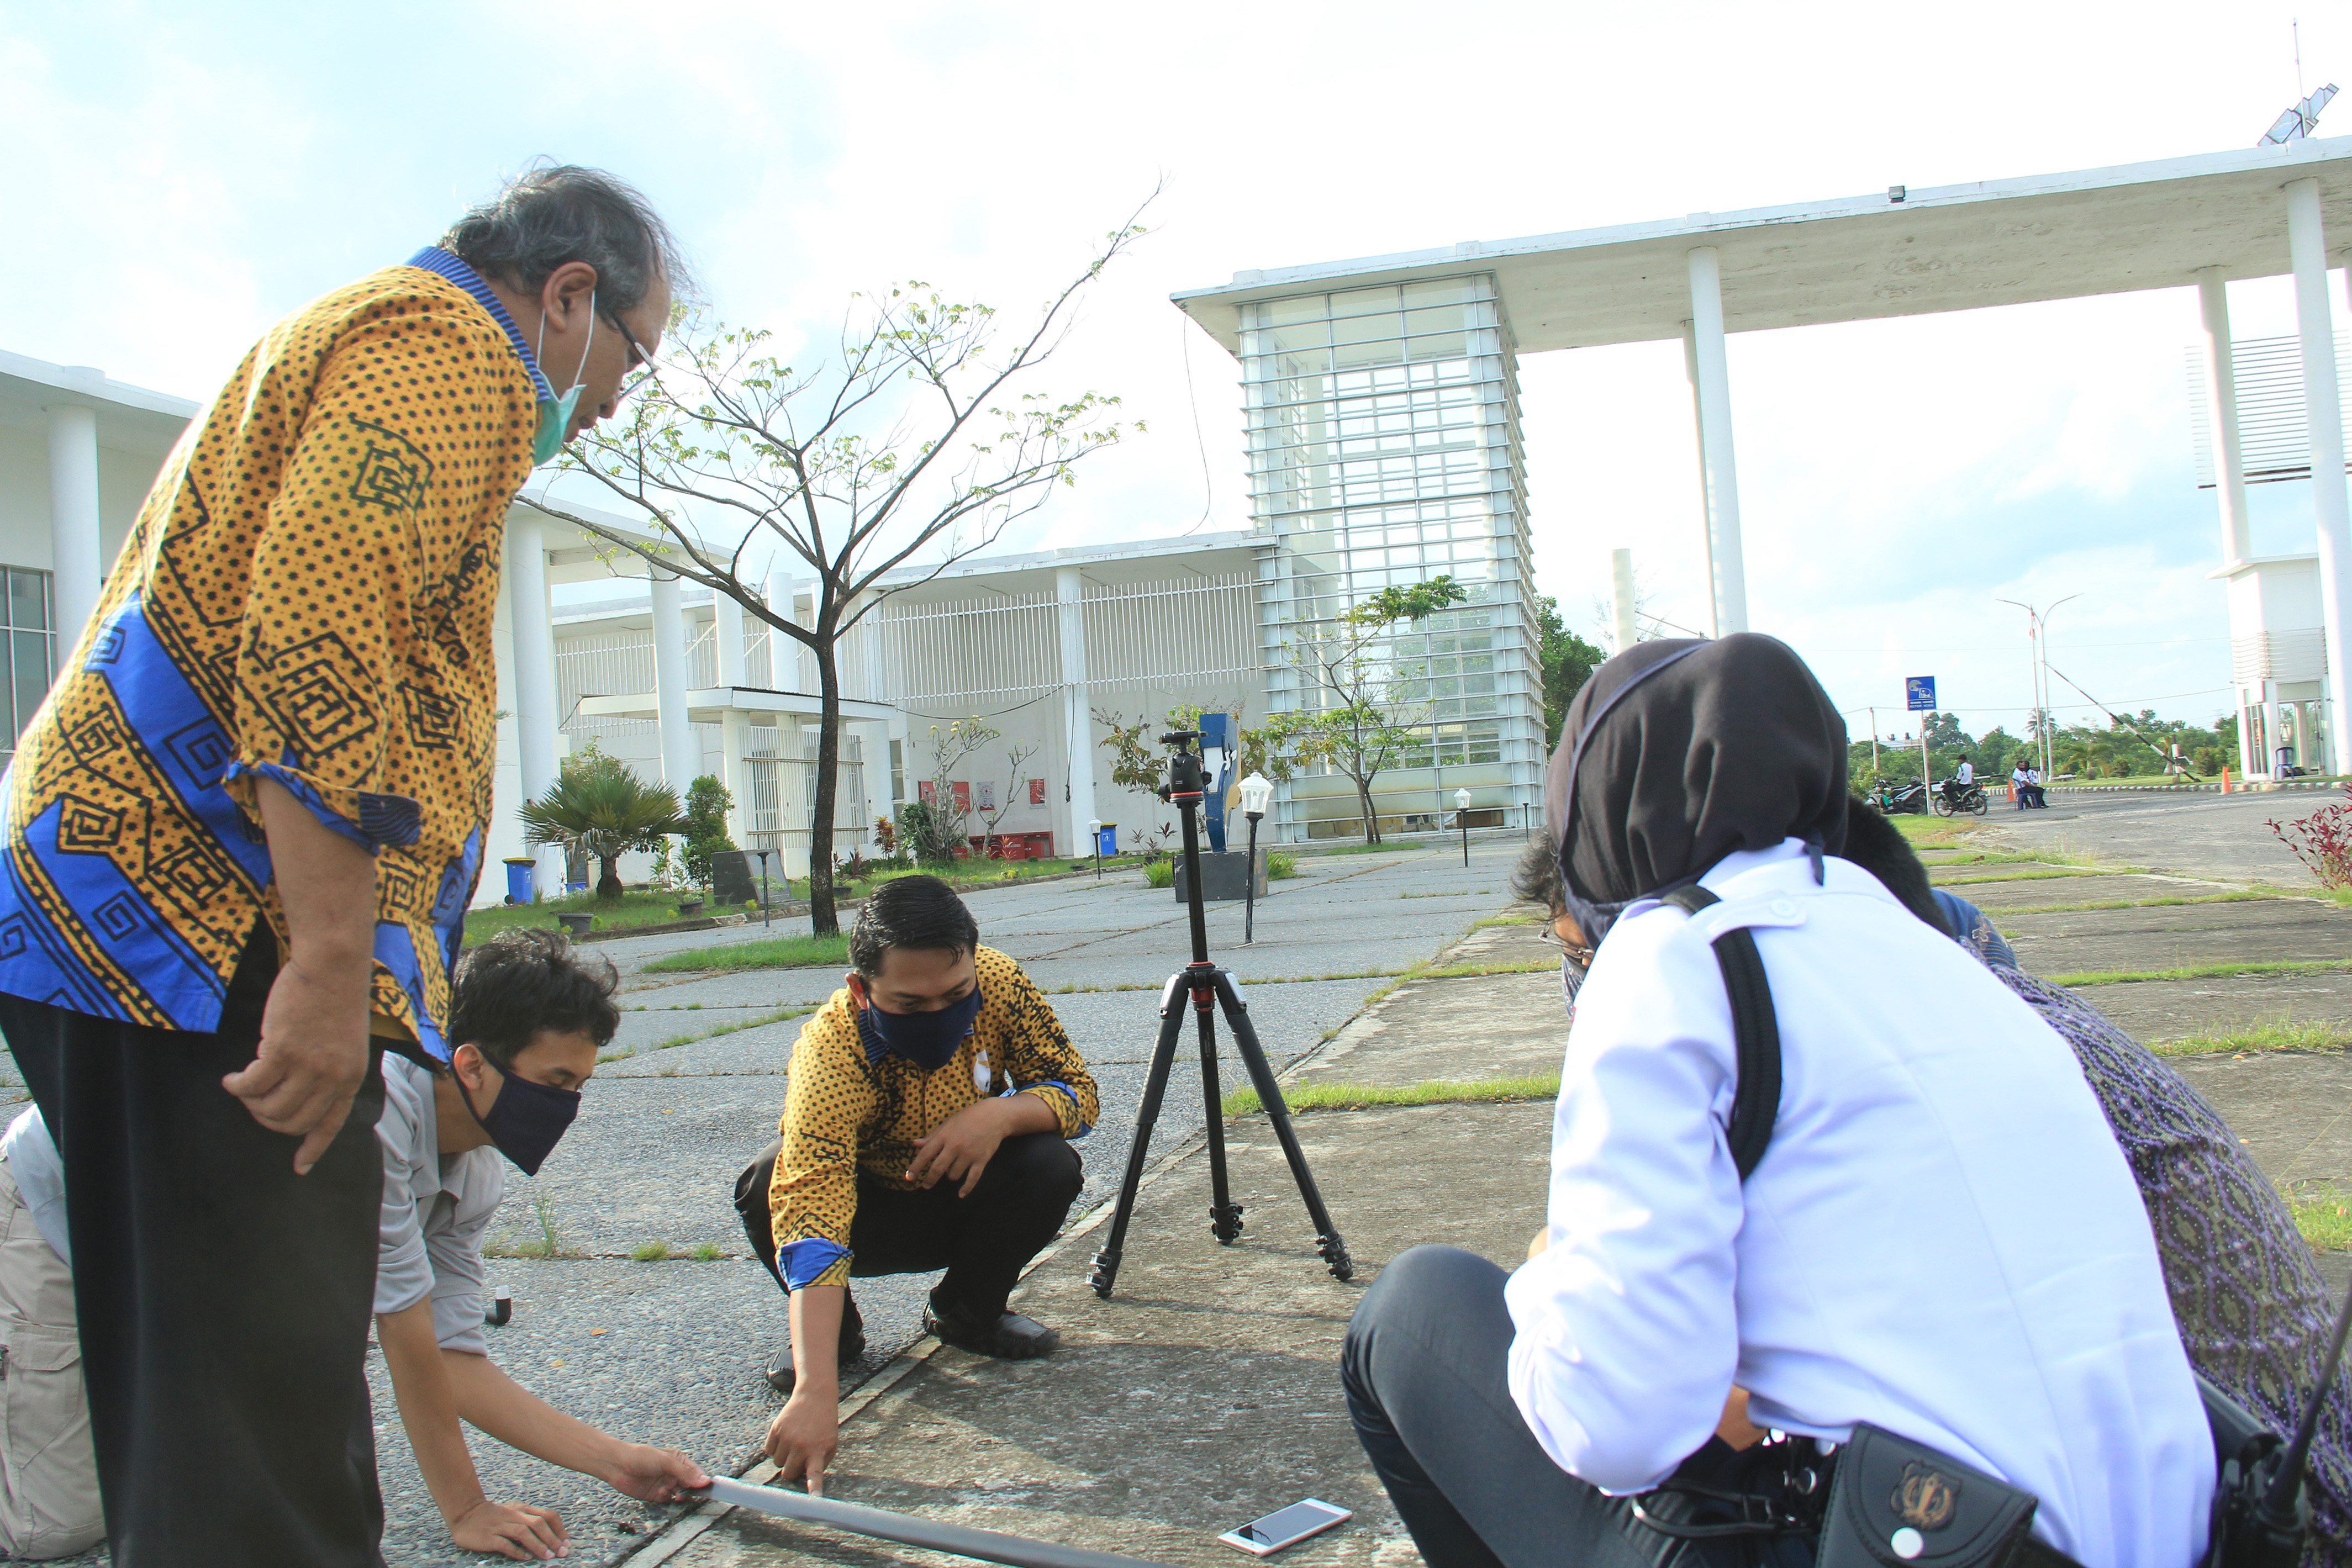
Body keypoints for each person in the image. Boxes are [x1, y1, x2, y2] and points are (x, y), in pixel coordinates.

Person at [0, 165, 682, 1564]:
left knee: (222, 1392)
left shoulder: (386, 342)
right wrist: (321, 961)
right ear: (567, 300)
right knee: (260, 1397)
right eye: (633, 354)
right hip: (190, 931)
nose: (616, 397)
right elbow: (316, 638)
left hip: (131, 908)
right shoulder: (446, 352)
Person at [1347, 635, 2212, 1567]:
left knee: (1409, 1307)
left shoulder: (1664, 953)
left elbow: (1614, 1428)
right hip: (2157, 1535)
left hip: (1917, 1533)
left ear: (1597, 808)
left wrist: (1548, 1280)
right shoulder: (1924, 939)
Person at [0, 930, 710, 1564]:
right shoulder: (373, 1127)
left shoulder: (475, 1171)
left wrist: (616, 1461)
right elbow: (405, 1335)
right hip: (64, 1211)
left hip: (193, 1253)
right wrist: (465, 1508)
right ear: (469, 1064)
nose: (568, 1105)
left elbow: (452, 1355)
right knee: (48, 1529)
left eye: (580, 1084)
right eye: (556, 1081)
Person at [734, 875, 1097, 1496]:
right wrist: (816, 1390)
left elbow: (1078, 1094)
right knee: (768, 1178)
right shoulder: (831, 1049)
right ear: (860, 989)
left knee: (1049, 1162)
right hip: (865, 1217)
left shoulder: (1000, 980)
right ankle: (834, 1335)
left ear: (973, 970)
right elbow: (812, 1211)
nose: (939, 1015)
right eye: (910, 1004)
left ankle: (967, 1312)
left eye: (956, 996)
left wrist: (999, 1114)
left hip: (964, 1202)